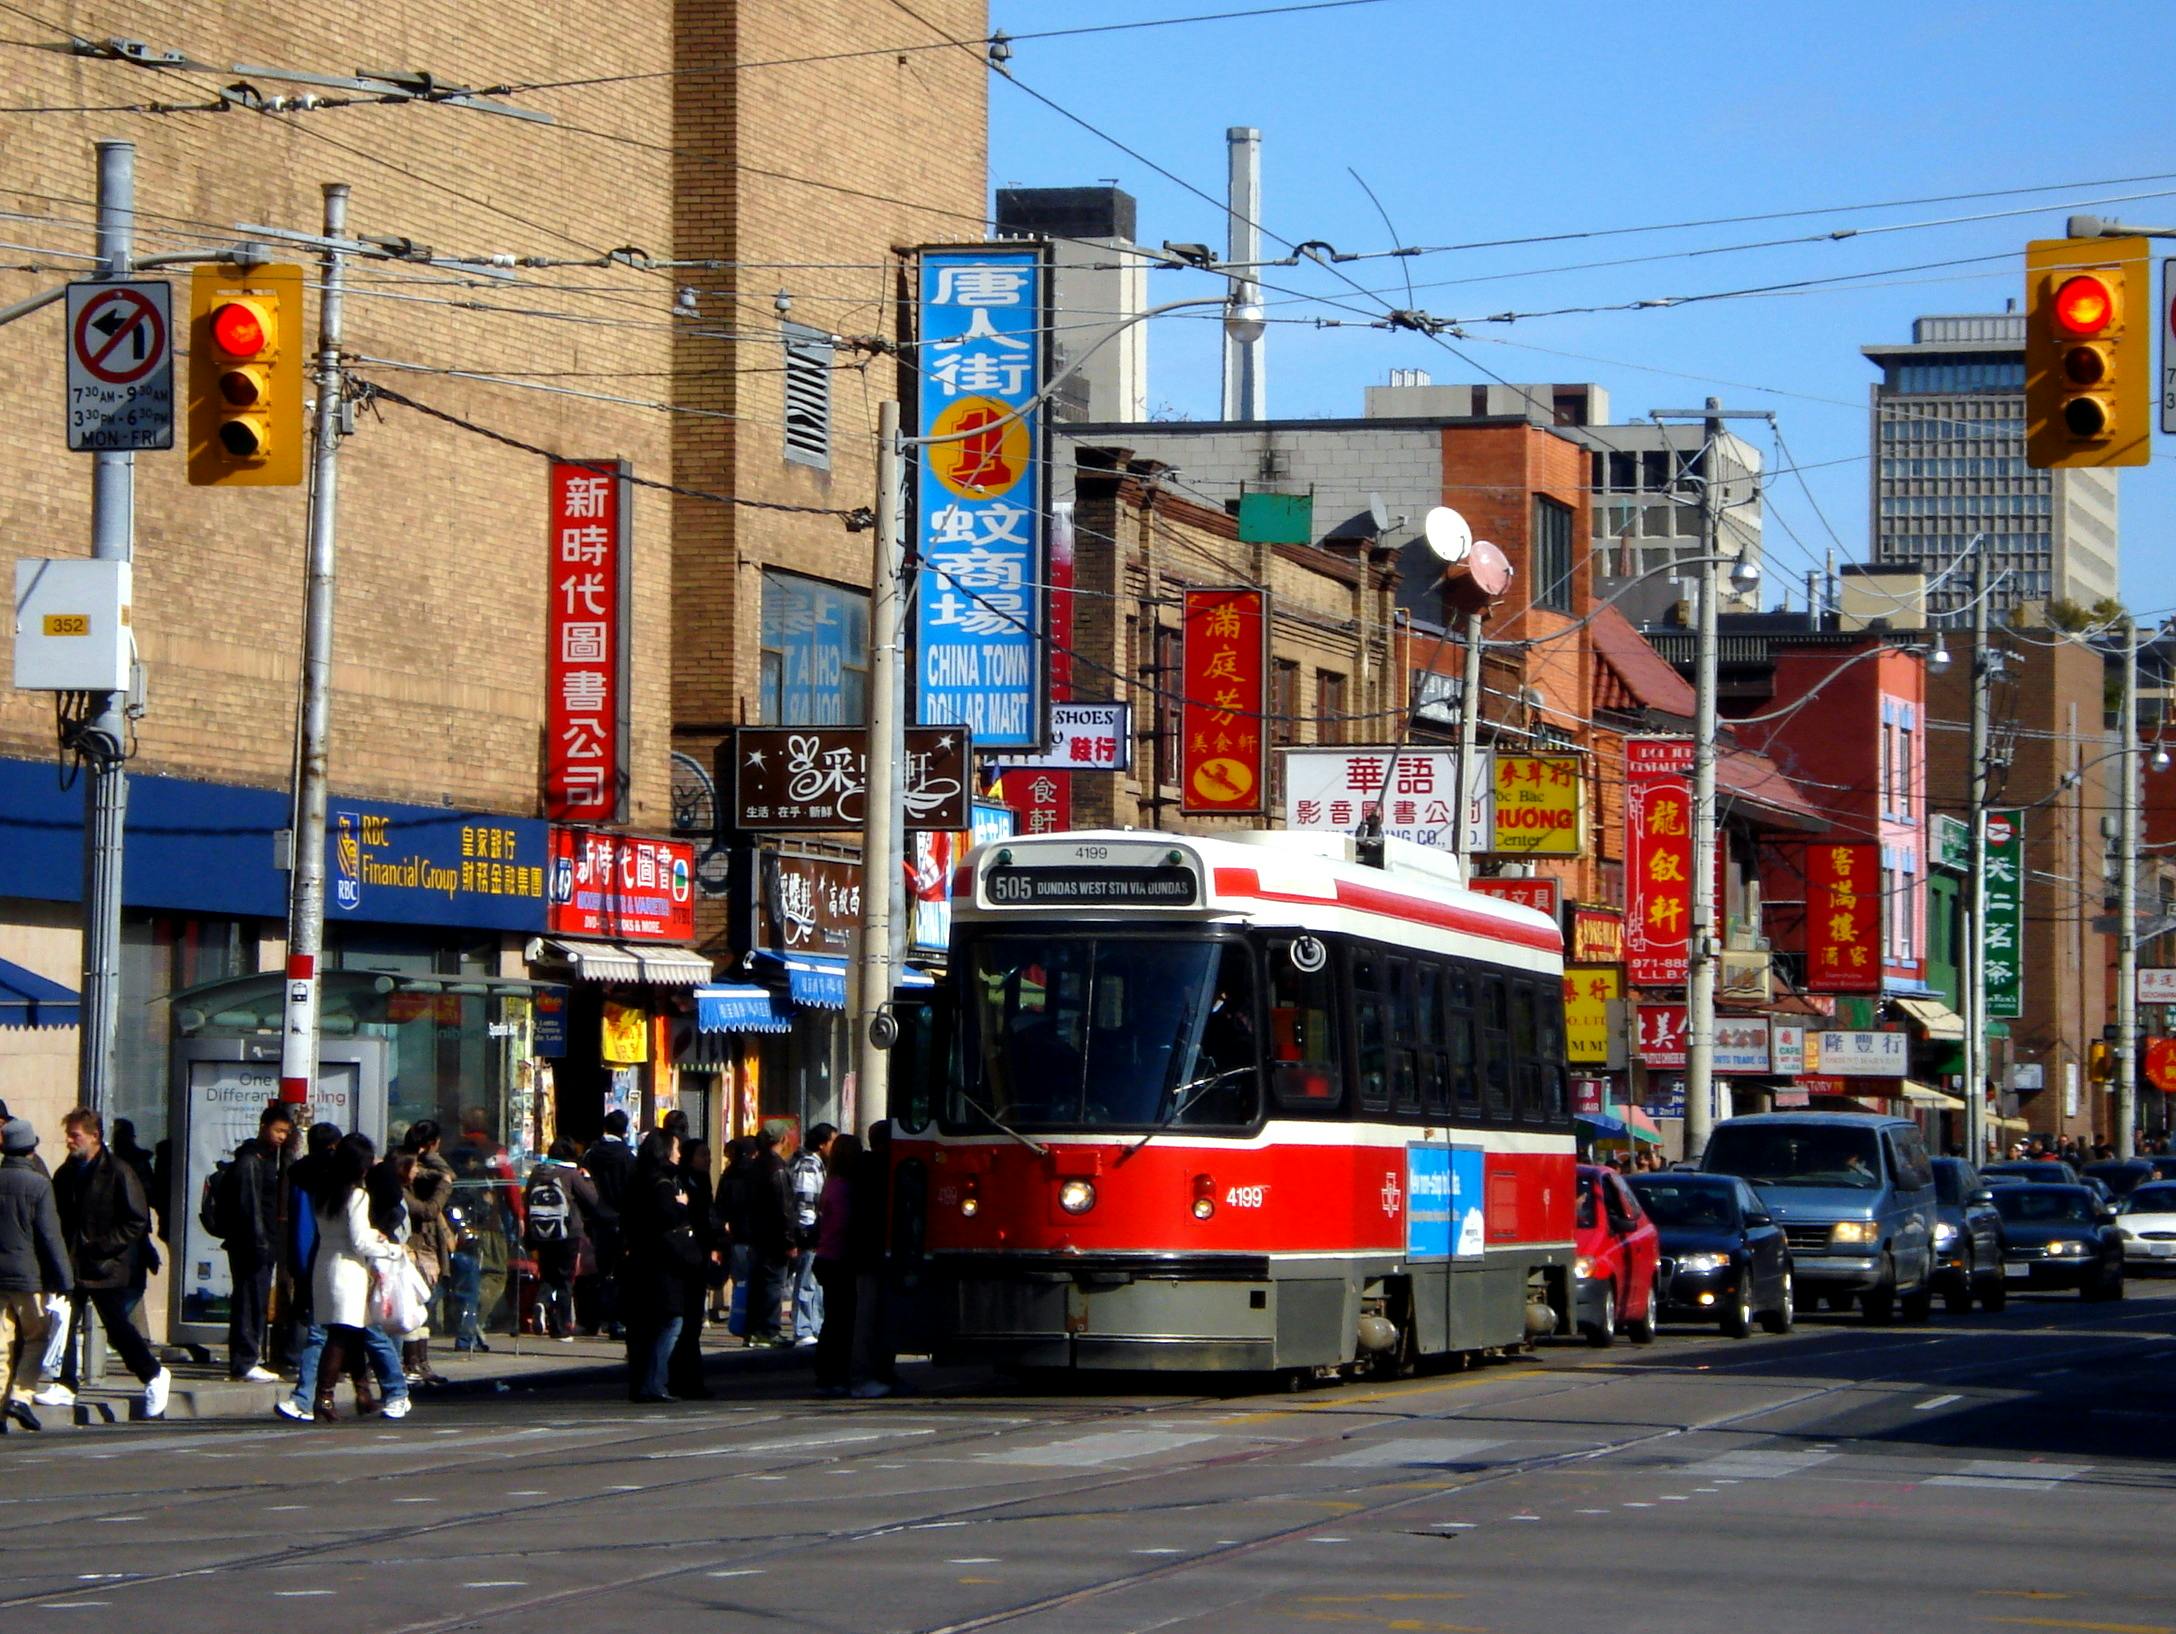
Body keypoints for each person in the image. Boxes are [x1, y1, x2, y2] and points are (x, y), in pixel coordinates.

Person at [39, 1108, 169, 1418]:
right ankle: (66, 1384)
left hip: (107, 1265)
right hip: (73, 1262)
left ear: (94, 1136)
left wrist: (103, 1246)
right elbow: (59, 1216)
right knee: (65, 1323)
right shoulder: (66, 1173)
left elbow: (136, 1220)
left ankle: (153, 1374)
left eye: (75, 1135)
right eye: (69, 1135)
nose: (70, 1141)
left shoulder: (119, 1171)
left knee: (116, 1327)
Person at [307, 1132, 410, 1422]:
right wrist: (392, 1250)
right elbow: (359, 1241)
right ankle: (324, 1398)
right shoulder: (357, 1195)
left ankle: (361, 1392)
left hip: (325, 1263)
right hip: (349, 1269)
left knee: (351, 1333)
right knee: (341, 1335)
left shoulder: (324, 1191)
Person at [1, 1117, 70, 1432]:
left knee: (1, 1344)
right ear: (31, 1149)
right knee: (36, 1336)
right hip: (29, 1278)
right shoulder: (39, 1185)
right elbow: (50, 1236)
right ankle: (21, 1395)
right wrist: (65, 1279)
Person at [219, 1102, 294, 1383]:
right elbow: (250, 1206)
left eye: (285, 1132)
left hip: (261, 1242)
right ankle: (245, 1360)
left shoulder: (267, 1159)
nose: (281, 1137)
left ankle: (248, 1358)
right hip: (252, 1244)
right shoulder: (251, 1161)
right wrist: (260, 1243)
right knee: (250, 1301)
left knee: (255, 1301)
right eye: (278, 1131)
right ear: (263, 1127)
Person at [619, 1128, 691, 1403]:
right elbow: (666, 1219)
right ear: (664, 1150)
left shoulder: (636, 1179)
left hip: (638, 1260)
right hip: (660, 1264)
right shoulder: (661, 1184)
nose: (679, 1153)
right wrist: (682, 1206)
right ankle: (654, 1382)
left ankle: (642, 1382)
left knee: (642, 1327)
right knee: (671, 1321)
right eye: (675, 1148)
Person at [398, 1121, 456, 1385]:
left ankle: (421, 1361)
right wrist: (439, 1182)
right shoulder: (402, 1179)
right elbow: (427, 1210)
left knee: (423, 1305)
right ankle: (411, 1362)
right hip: (413, 1246)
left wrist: (425, 1155)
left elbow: (447, 1173)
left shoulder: (423, 1169)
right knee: (414, 1304)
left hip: (429, 1244)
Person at [524, 1138, 595, 1342]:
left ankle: (541, 1301)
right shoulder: (571, 1174)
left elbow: (527, 1201)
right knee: (564, 1279)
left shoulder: (536, 1174)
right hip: (567, 1232)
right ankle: (562, 1327)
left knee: (548, 1274)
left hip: (541, 1233)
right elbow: (592, 1200)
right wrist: (588, 1179)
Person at [810, 1132, 861, 1396]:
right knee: (840, 1322)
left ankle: (828, 1373)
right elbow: (843, 1225)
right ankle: (833, 1374)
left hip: (827, 1257)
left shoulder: (832, 1182)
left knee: (834, 1319)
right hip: (838, 1258)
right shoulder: (843, 1187)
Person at [580, 1110, 634, 1337]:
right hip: (621, 1220)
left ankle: (593, 1318)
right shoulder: (628, 1157)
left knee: (597, 1270)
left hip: (596, 1219)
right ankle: (616, 1320)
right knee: (621, 1271)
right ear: (625, 1130)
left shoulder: (591, 1155)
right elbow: (633, 1191)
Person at [741, 1128, 796, 1347]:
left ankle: (753, 1331)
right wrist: (790, 1241)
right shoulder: (777, 1168)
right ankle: (768, 1331)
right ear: (782, 1139)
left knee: (757, 1284)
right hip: (774, 1238)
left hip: (757, 1235)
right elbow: (784, 1208)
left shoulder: (755, 1166)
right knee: (773, 1284)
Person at [787, 1124, 836, 1347]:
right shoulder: (808, 1165)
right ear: (821, 1143)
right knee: (807, 1280)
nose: (834, 1147)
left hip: (815, 1231)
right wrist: (810, 1232)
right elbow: (805, 1202)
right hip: (810, 1232)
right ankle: (803, 1327)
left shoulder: (817, 1164)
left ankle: (814, 1325)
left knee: (814, 1281)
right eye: (832, 1142)